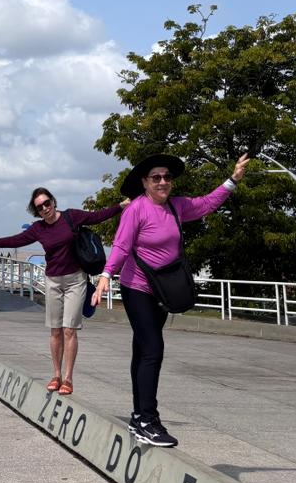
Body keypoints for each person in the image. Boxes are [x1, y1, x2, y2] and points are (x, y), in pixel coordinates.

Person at [93, 152, 249, 447]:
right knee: (153, 349)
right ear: (145, 183)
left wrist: (233, 180)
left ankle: (139, 415)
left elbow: (206, 204)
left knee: (142, 351)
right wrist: (105, 275)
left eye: (167, 177)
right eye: (156, 178)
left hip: (163, 290)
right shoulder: (136, 210)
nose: (163, 182)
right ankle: (149, 421)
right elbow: (121, 246)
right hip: (137, 287)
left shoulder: (177, 207)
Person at [0, 187, 126, 395]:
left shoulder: (71, 216)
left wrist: (120, 206)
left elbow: (97, 217)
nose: (45, 208)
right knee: (55, 330)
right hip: (52, 281)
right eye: (40, 207)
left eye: (47, 203)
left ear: (53, 201)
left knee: (70, 329)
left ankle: (68, 378)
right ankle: (56, 374)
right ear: (36, 211)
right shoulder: (38, 229)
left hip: (75, 280)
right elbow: (16, 240)